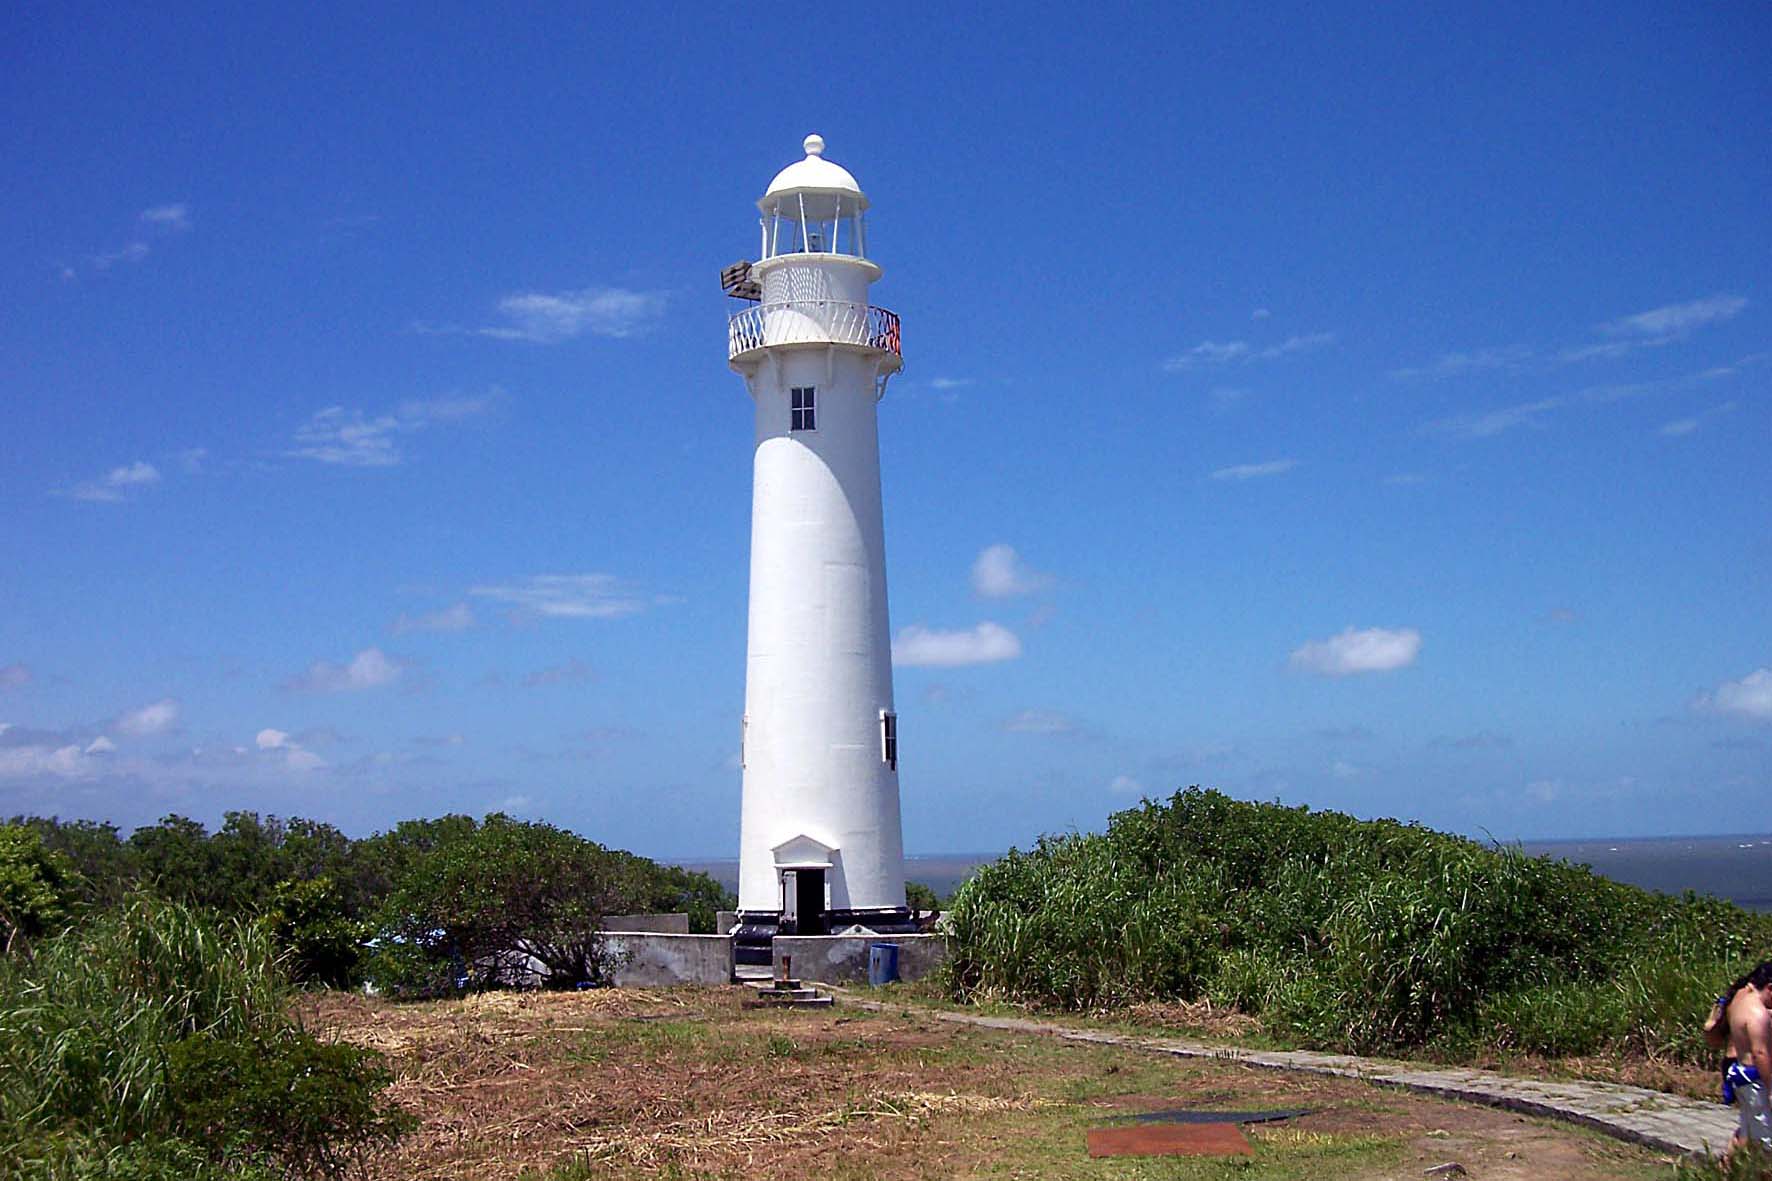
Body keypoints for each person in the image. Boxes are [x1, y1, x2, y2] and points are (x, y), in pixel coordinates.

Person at [1724, 961, 1772, 1156]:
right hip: (1756, 1083)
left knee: (1747, 1134)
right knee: (1765, 1143)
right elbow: (1759, 1052)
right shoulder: (1757, 1014)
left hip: (1742, 1077)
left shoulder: (1741, 1003)